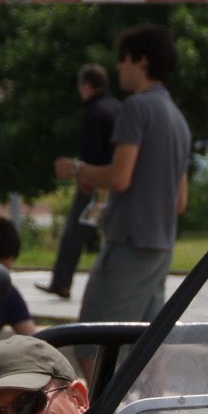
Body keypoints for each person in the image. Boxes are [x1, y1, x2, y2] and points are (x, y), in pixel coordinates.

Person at [61, 25, 190, 323]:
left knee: (91, 339)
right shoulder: (178, 118)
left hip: (129, 243)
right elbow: (180, 201)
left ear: (142, 60)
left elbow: (120, 177)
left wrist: (77, 168)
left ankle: (104, 375)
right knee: (142, 347)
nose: (118, 67)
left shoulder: (135, 108)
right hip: (161, 246)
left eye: (123, 59)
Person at [42, 63, 122, 298]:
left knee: (75, 232)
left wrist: (83, 175)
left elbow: (91, 150)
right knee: (113, 233)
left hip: (95, 182)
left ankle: (61, 282)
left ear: (86, 86)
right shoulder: (120, 107)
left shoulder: (93, 111)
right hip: (119, 182)